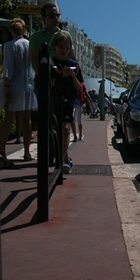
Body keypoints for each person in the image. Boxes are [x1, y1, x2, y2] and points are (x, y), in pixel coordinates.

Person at [0, 18, 37, 165]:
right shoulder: (29, 44)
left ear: (11, 31)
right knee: (27, 119)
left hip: (14, 85)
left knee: (9, 118)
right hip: (28, 85)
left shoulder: (9, 46)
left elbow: (9, 68)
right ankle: (27, 152)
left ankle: (2, 149)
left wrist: (6, 88)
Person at [50, 31, 83, 174]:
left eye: (67, 48)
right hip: (55, 100)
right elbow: (49, 85)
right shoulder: (50, 63)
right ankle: (66, 158)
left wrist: (73, 76)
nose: (64, 51)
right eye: (61, 47)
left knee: (66, 128)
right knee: (56, 130)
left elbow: (78, 88)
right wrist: (60, 76)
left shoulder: (73, 64)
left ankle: (61, 160)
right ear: (55, 47)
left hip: (69, 99)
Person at [29, 3, 74, 74]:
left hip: (64, 77)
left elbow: (72, 57)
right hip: (46, 77)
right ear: (44, 19)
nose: (56, 18)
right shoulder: (36, 36)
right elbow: (34, 59)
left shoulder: (66, 35)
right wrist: (42, 78)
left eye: (57, 15)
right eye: (52, 16)